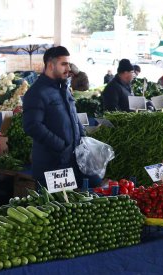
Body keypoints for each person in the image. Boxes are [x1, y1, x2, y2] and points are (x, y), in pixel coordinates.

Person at [22, 46, 99, 187]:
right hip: (51, 166)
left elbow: (73, 118)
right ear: (51, 65)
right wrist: (61, 146)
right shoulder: (37, 92)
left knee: (71, 205)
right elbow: (32, 126)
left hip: (71, 162)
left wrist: (83, 140)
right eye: (63, 64)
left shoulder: (63, 89)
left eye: (68, 64)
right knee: (52, 207)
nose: (68, 68)